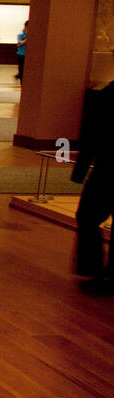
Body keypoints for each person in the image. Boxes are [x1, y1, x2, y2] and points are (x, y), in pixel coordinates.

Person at [72, 79, 114, 290]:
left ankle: (94, 270)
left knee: (87, 216)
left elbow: (91, 136)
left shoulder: (107, 96)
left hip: (108, 170)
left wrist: (80, 170)